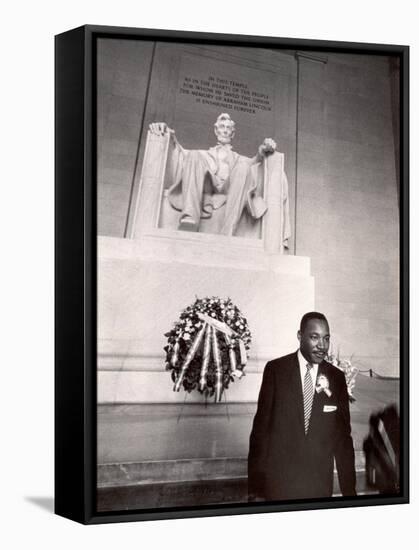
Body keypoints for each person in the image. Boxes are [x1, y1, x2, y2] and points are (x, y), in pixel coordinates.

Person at [248, 312, 357, 501]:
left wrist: (350, 492)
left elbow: (343, 440)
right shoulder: (276, 371)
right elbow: (260, 432)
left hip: (318, 486)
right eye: (314, 337)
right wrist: (255, 489)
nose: (322, 345)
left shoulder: (337, 378)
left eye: (326, 338)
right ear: (300, 336)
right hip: (279, 484)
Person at [149, 113, 290, 244]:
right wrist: (168, 133)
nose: (225, 130)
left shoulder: (239, 159)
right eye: (222, 127)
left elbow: (254, 163)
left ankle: (227, 230)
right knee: (193, 155)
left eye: (228, 128)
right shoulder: (203, 155)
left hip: (230, 187)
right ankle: (190, 218)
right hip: (208, 184)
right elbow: (179, 154)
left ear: (232, 133)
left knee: (243, 167)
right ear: (216, 130)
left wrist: (263, 149)